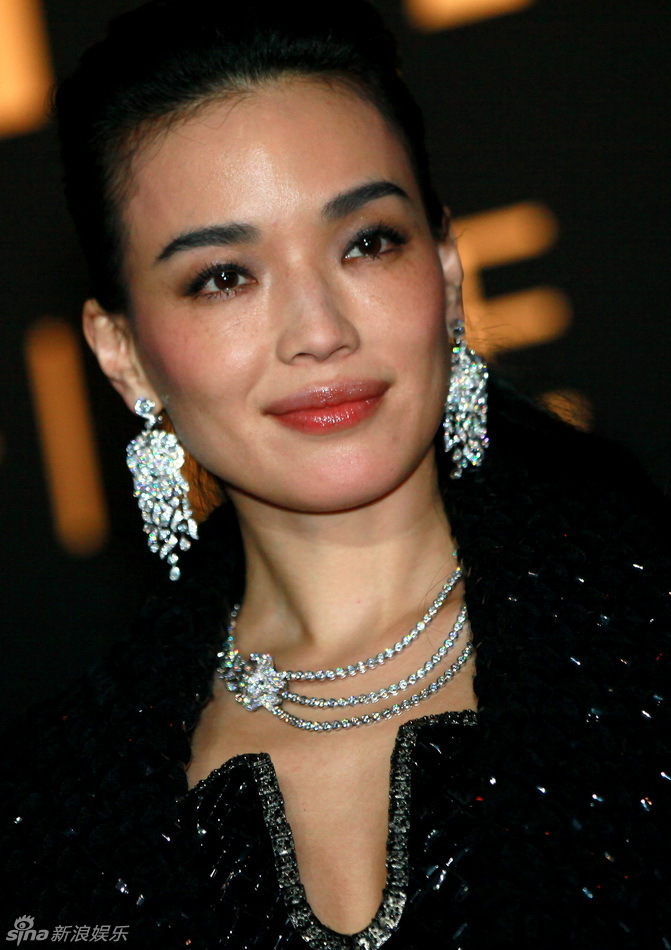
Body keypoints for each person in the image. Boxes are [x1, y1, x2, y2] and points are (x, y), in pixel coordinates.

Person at [2, 0, 669, 946]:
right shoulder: (49, 816)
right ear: (123, 355)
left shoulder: (646, 633)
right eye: (224, 276)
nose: (319, 331)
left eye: (367, 242)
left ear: (445, 269)